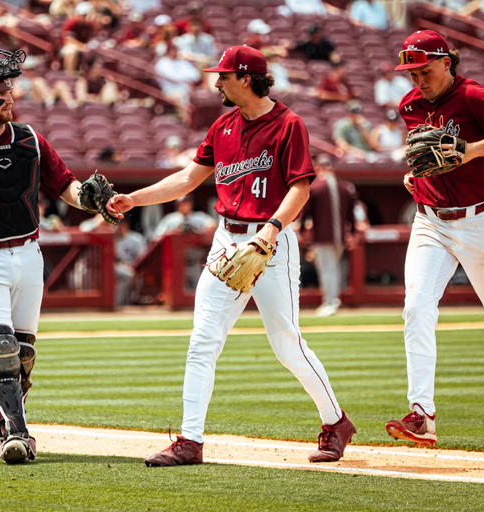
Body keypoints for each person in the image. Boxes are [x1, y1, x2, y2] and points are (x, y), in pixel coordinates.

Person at [108, 45, 355, 466]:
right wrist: (135, 198)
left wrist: (271, 231)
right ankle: (190, 441)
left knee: (286, 345)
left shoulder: (288, 124)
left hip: (271, 244)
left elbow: (300, 188)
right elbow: (189, 178)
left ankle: (336, 422)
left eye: (223, 75)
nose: (216, 82)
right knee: (203, 340)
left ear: (246, 79)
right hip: (227, 241)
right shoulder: (222, 125)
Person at [0, 46, 116, 464]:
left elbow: (66, 186)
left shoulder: (31, 140)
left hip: (29, 254)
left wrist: (90, 198)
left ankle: (0, 420)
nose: (9, 98)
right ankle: (17, 434)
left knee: (23, 355)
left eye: (10, 91)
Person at [385, 30, 484, 446]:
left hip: (478, 221)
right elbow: (423, 154)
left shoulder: (474, 97)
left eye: (423, 70)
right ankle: (422, 414)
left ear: (446, 63)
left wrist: (472, 150)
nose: (417, 79)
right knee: (416, 306)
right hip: (429, 221)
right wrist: (414, 173)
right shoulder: (410, 105)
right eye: (411, 72)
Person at [299, 155, 357, 317]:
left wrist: (303, 230)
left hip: (322, 236)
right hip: (340, 238)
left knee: (327, 269)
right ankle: (334, 299)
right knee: (335, 268)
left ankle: (330, 302)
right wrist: (351, 234)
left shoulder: (315, 187)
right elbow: (351, 215)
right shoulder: (345, 188)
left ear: (319, 168)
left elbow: (306, 213)